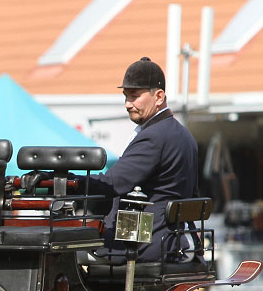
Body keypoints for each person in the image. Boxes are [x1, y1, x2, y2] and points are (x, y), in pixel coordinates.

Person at [63, 57, 198, 262]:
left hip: (142, 245)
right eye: (126, 96)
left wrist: (66, 182)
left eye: (134, 96)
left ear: (159, 96)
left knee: (65, 252)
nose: (128, 104)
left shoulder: (154, 137)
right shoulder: (184, 135)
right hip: (171, 241)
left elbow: (112, 183)